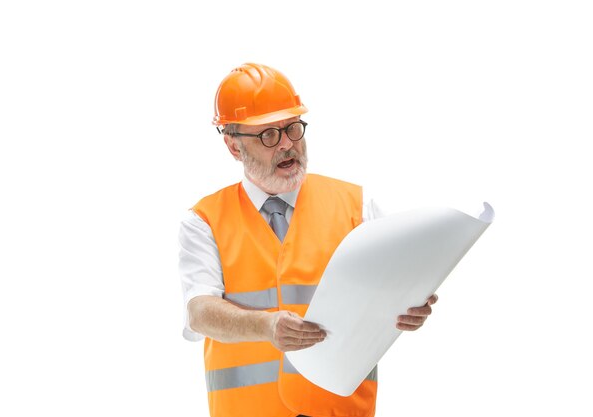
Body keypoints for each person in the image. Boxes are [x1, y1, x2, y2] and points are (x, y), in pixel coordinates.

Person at [179, 63, 438, 417]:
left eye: (293, 128)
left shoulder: (356, 205)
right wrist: (265, 326)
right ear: (234, 147)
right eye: (268, 135)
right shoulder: (205, 220)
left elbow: (391, 292)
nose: (287, 145)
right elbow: (200, 313)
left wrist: (409, 307)